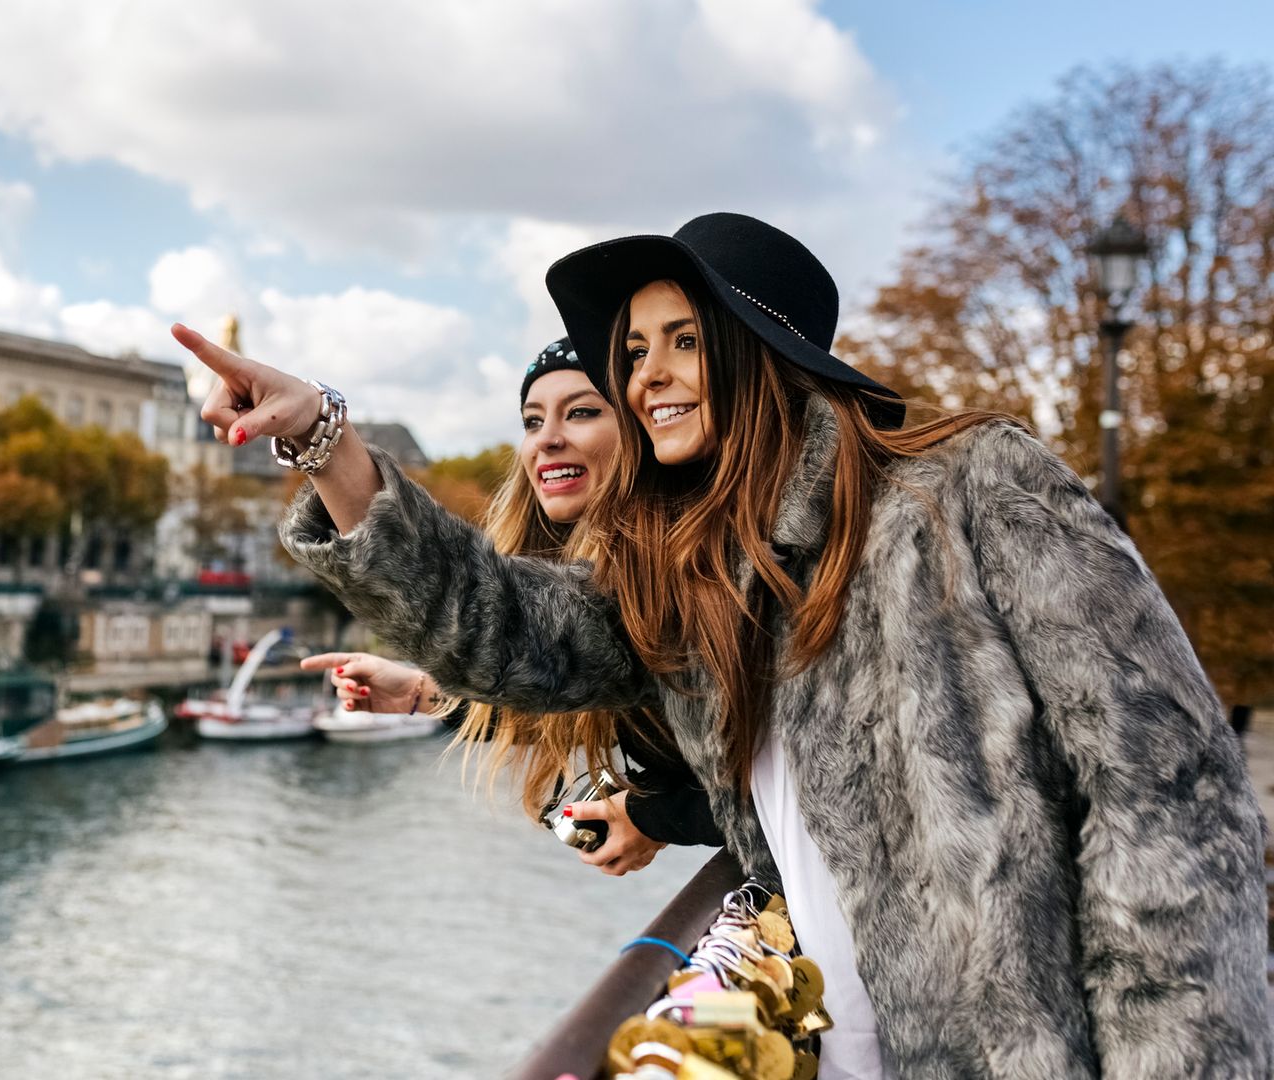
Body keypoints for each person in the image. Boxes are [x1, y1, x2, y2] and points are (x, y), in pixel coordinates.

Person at [171, 212, 1268, 1078]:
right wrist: (327, 442)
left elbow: (1169, 807)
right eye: (634, 347)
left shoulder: (969, 488)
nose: (643, 373)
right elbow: (499, 627)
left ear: (766, 354)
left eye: (684, 340)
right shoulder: (691, 573)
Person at [301, 338, 719, 874]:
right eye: (531, 421)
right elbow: (559, 680)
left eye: (583, 412)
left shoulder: (693, 571)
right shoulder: (621, 575)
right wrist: (420, 691)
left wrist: (656, 816)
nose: (546, 440)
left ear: (646, 429)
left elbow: (789, 776)